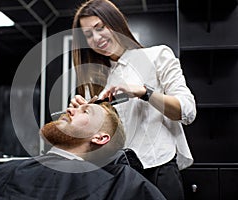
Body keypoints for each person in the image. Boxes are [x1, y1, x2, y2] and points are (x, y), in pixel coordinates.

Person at [70, 0, 197, 199]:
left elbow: (187, 111)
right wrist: (80, 116)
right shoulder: (95, 82)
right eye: (88, 35)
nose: (96, 38)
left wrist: (144, 92)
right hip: (115, 175)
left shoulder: (157, 56)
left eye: (100, 28)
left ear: (115, 23)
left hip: (158, 168)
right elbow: (96, 139)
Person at [0, 102, 166, 200]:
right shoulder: (17, 168)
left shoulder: (118, 184)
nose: (69, 109)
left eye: (85, 112)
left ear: (100, 137)